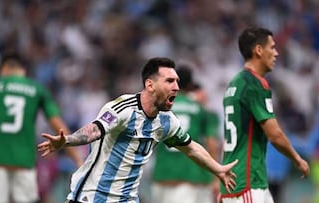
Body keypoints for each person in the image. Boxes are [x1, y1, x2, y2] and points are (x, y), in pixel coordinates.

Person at [37, 57, 238, 203]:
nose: (176, 87)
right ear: (150, 85)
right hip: (93, 196)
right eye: (169, 81)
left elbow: (192, 148)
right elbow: (94, 130)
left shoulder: (167, 121)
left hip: (127, 199)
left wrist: (218, 169)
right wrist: (67, 140)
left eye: (177, 81)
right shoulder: (123, 108)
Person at [0, 53, 82, 203]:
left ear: (4, 68)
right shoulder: (37, 89)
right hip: (24, 160)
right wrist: (78, 160)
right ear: (23, 70)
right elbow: (60, 129)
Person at [219, 27, 310, 203]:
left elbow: (229, 140)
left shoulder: (234, 85)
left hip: (243, 183)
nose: (276, 53)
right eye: (272, 47)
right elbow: (274, 134)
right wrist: (297, 159)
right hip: (247, 183)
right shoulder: (254, 84)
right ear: (259, 50)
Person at [151, 66, 219, 203]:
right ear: (190, 85)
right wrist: (216, 177)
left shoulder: (159, 108)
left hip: (161, 176)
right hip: (188, 177)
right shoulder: (200, 109)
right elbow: (212, 143)